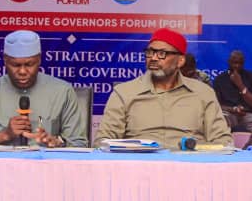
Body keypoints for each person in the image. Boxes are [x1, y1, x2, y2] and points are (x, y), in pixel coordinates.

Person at [95, 28, 233, 150]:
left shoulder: (203, 93)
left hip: (190, 167)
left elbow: (222, 141)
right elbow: (103, 141)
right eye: (150, 52)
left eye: (162, 53)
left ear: (180, 61)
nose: (153, 58)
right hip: (138, 167)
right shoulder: (124, 93)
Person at [0, 30, 88, 147]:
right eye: (15, 65)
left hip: (46, 167)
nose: (22, 71)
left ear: (39, 60)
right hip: (1, 168)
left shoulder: (62, 91)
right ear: (5, 60)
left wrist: (58, 143)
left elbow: (79, 144)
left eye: (29, 64)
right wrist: (2, 136)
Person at [213, 49, 252, 133]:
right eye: (234, 63)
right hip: (229, 113)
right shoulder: (220, 80)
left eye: (240, 63)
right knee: (221, 121)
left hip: (248, 114)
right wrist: (234, 109)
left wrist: (240, 85)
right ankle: (226, 145)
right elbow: (216, 105)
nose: (237, 66)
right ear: (229, 62)